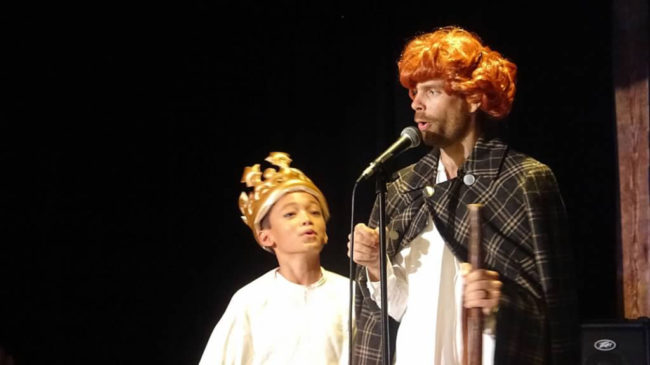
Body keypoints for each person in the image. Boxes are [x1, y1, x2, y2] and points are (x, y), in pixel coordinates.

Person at [349, 26, 578, 364]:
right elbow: (399, 308)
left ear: (473, 98)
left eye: (432, 91)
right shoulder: (402, 187)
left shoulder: (523, 181)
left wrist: (501, 304)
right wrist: (374, 266)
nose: (416, 103)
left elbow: (556, 314)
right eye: (414, 92)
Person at [199, 152, 349, 365]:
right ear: (265, 236)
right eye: (290, 214)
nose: (306, 219)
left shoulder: (350, 294)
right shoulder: (251, 301)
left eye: (315, 212)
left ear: (325, 231)